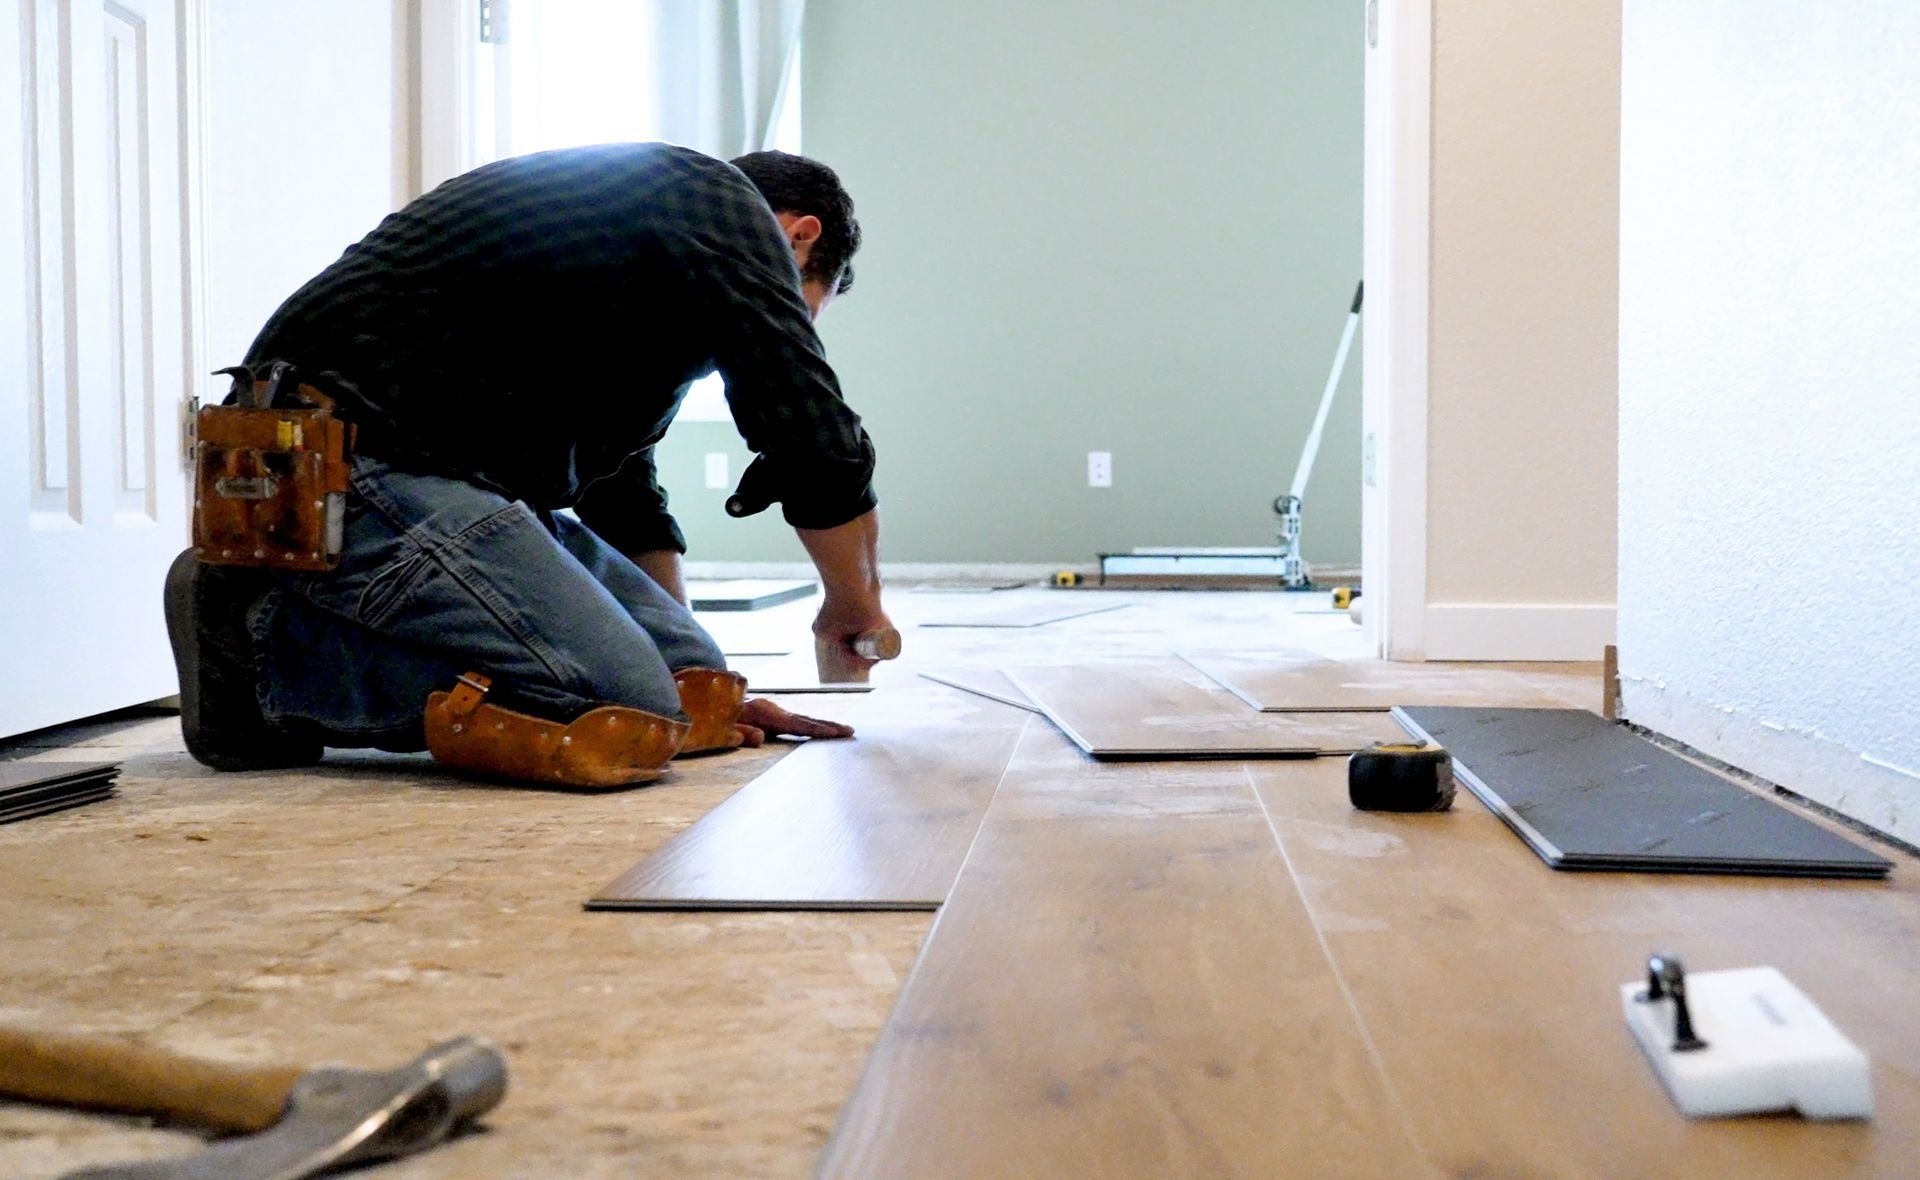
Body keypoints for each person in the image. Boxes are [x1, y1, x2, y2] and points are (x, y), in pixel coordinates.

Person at [164, 144, 893, 787]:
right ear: (798, 237)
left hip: (425, 467)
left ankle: (301, 636)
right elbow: (807, 425)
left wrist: (693, 693)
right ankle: (257, 643)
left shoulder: (643, 259)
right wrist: (853, 607)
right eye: (800, 306)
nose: (782, 320)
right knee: (624, 707)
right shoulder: (718, 204)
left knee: (691, 694)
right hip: (345, 457)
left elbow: (622, 491)